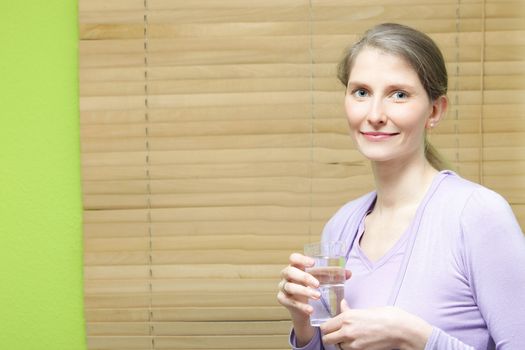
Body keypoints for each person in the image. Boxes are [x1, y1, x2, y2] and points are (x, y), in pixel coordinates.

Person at [276, 23, 525, 350]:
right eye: (361, 92)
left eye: (399, 95)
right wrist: (305, 325)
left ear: (434, 111)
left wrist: (417, 338)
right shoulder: (341, 225)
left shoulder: (478, 215)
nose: (375, 114)